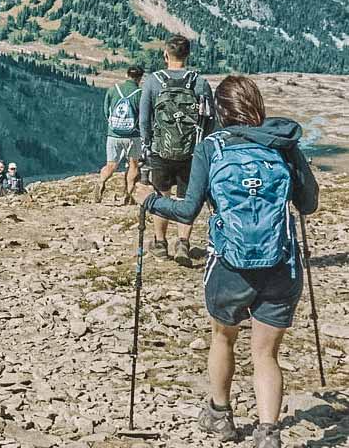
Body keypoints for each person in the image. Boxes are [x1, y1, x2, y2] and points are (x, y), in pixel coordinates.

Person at [142, 75, 318, 448]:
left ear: (220, 112)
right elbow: (309, 204)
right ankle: (268, 433)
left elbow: (188, 211)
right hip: (280, 265)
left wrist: (150, 199)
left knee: (223, 338)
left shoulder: (212, 147)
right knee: (266, 353)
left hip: (229, 266)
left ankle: (220, 415)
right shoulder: (283, 145)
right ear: (257, 106)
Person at [139, 35, 214, 266]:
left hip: (160, 150)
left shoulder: (153, 81)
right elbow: (210, 118)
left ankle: (160, 244)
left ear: (165, 55)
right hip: (192, 152)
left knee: (162, 195)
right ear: (188, 55)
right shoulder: (199, 82)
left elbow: (144, 118)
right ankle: (183, 242)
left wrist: (147, 144)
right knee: (185, 197)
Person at [95, 65, 145, 204]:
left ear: (126, 75)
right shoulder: (140, 93)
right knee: (133, 164)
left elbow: (106, 112)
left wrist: (114, 126)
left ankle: (101, 181)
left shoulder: (113, 90)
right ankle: (128, 194)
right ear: (140, 78)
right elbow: (144, 116)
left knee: (111, 164)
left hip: (113, 134)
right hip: (133, 135)